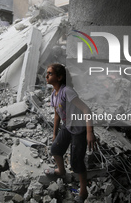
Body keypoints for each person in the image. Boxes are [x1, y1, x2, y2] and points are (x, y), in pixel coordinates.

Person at [44, 63, 95, 203]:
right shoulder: (54, 95)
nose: (46, 76)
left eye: (50, 73)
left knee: (76, 162)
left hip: (79, 129)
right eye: (47, 73)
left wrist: (89, 132)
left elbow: (86, 110)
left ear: (59, 77)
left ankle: (83, 191)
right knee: (55, 149)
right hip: (67, 127)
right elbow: (57, 114)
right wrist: (55, 133)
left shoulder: (67, 91)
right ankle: (61, 171)